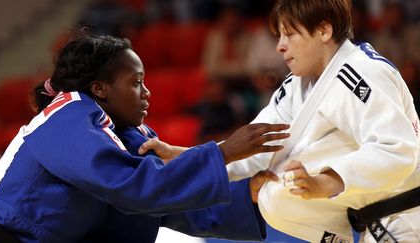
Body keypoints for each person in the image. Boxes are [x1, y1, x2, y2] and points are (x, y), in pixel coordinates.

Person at [141, 0, 420, 242]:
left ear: (324, 30)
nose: (279, 47)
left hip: (408, 217)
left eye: (289, 34)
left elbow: (397, 149)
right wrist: (187, 158)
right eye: (278, 36)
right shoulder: (299, 84)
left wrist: (326, 181)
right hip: (376, 221)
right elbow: (254, 147)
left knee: (284, 175)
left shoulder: (360, 72)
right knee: (275, 187)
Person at [0, 33, 291, 242]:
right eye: (136, 83)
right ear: (99, 88)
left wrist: (249, 195)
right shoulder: (67, 115)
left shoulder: (130, 135)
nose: (147, 92)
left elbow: (167, 203)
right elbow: (135, 189)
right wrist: (223, 151)